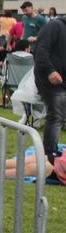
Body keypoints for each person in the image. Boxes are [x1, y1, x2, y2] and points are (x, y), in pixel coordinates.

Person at [33, 14, 66, 165]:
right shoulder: (55, 26)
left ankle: (51, 152)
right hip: (49, 79)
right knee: (56, 116)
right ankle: (49, 153)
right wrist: (50, 71)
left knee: (57, 115)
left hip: (60, 79)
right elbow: (40, 51)